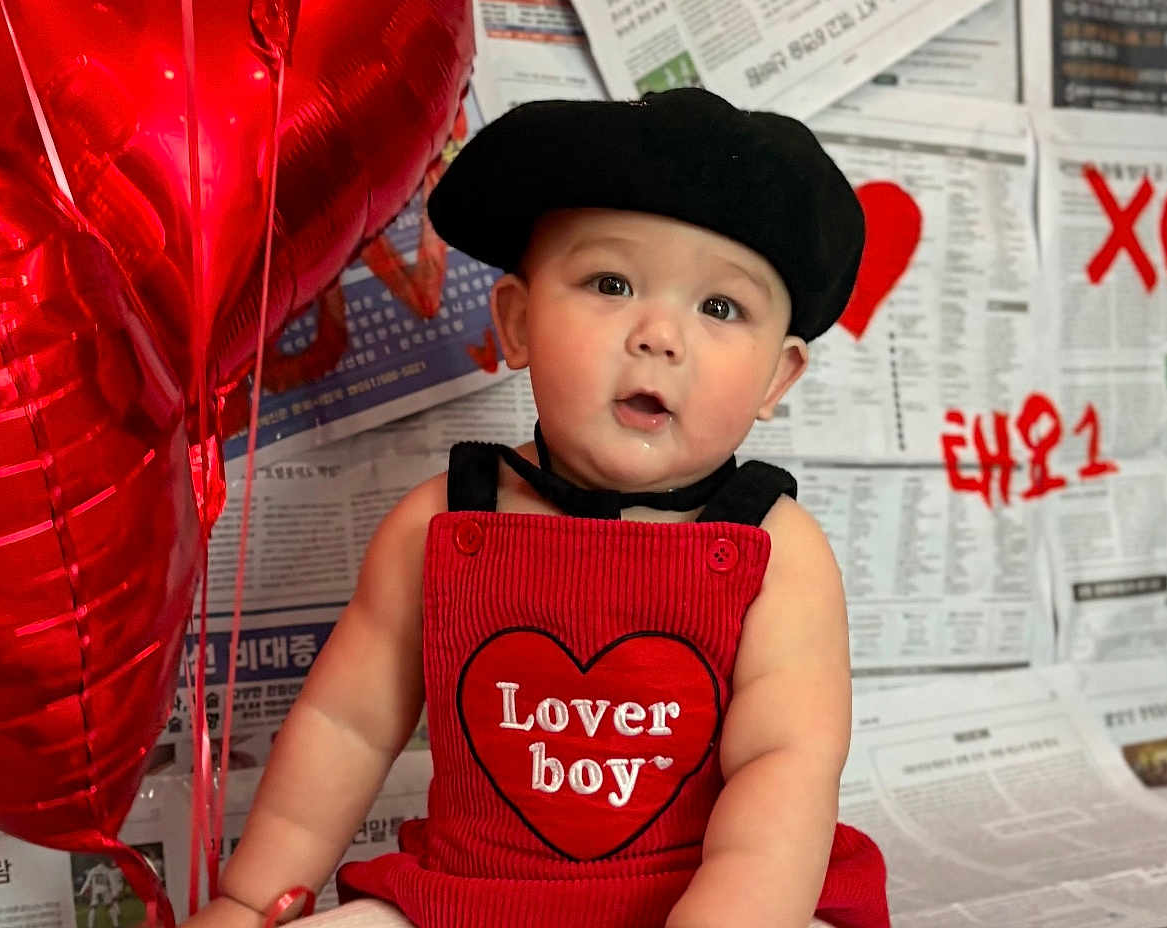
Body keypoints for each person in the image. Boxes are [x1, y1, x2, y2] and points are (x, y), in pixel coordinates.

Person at [187, 89, 890, 928]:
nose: (660, 334)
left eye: (719, 307)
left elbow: (786, 764)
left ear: (778, 378)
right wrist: (248, 895)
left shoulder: (778, 551)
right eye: (611, 282)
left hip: (719, 895)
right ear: (518, 323)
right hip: (475, 894)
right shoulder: (440, 525)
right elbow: (345, 725)